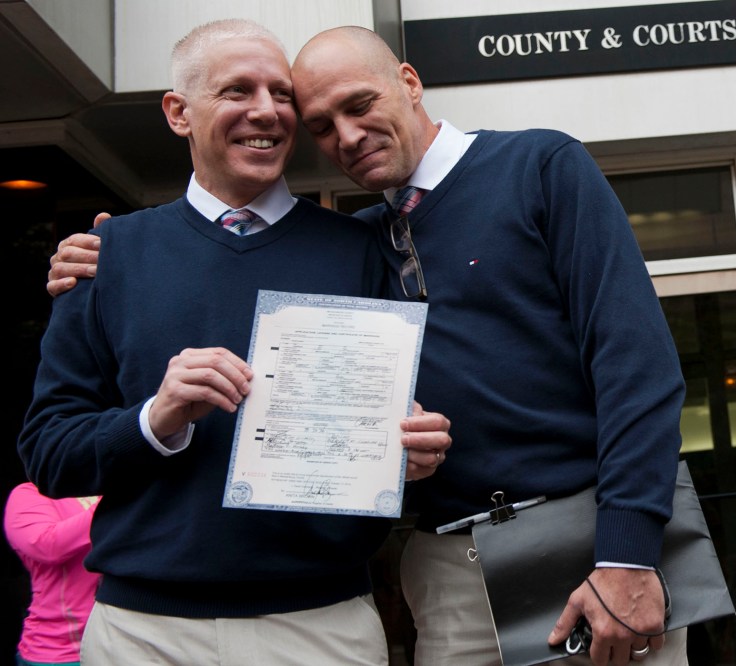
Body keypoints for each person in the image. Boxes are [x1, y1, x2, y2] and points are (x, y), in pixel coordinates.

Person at [48, 25, 687, 666]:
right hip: (444, 562)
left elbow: (636, 366)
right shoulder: (363, 237)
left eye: (359, 106)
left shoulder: (533, 170)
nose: (346, 137)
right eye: (323, 124)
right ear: (179, 113)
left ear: (409, 83)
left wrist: (628, 551)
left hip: (582, 538)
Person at [22, 19, 451, 666]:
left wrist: (410, 451)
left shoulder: (365, 252)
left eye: (282, 94)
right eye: (236, 91)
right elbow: (49, 457)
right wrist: (154, 419)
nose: (267, 111)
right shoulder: (107, 257)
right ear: (178, 112)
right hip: (143, 631)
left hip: (322, 625)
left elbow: (410, 426)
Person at [4, 482, 100, 666]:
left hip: (122, 640)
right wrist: (117, 504)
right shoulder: (30, 493)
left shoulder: (111, 492)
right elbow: (47, 545)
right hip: (62, 650)